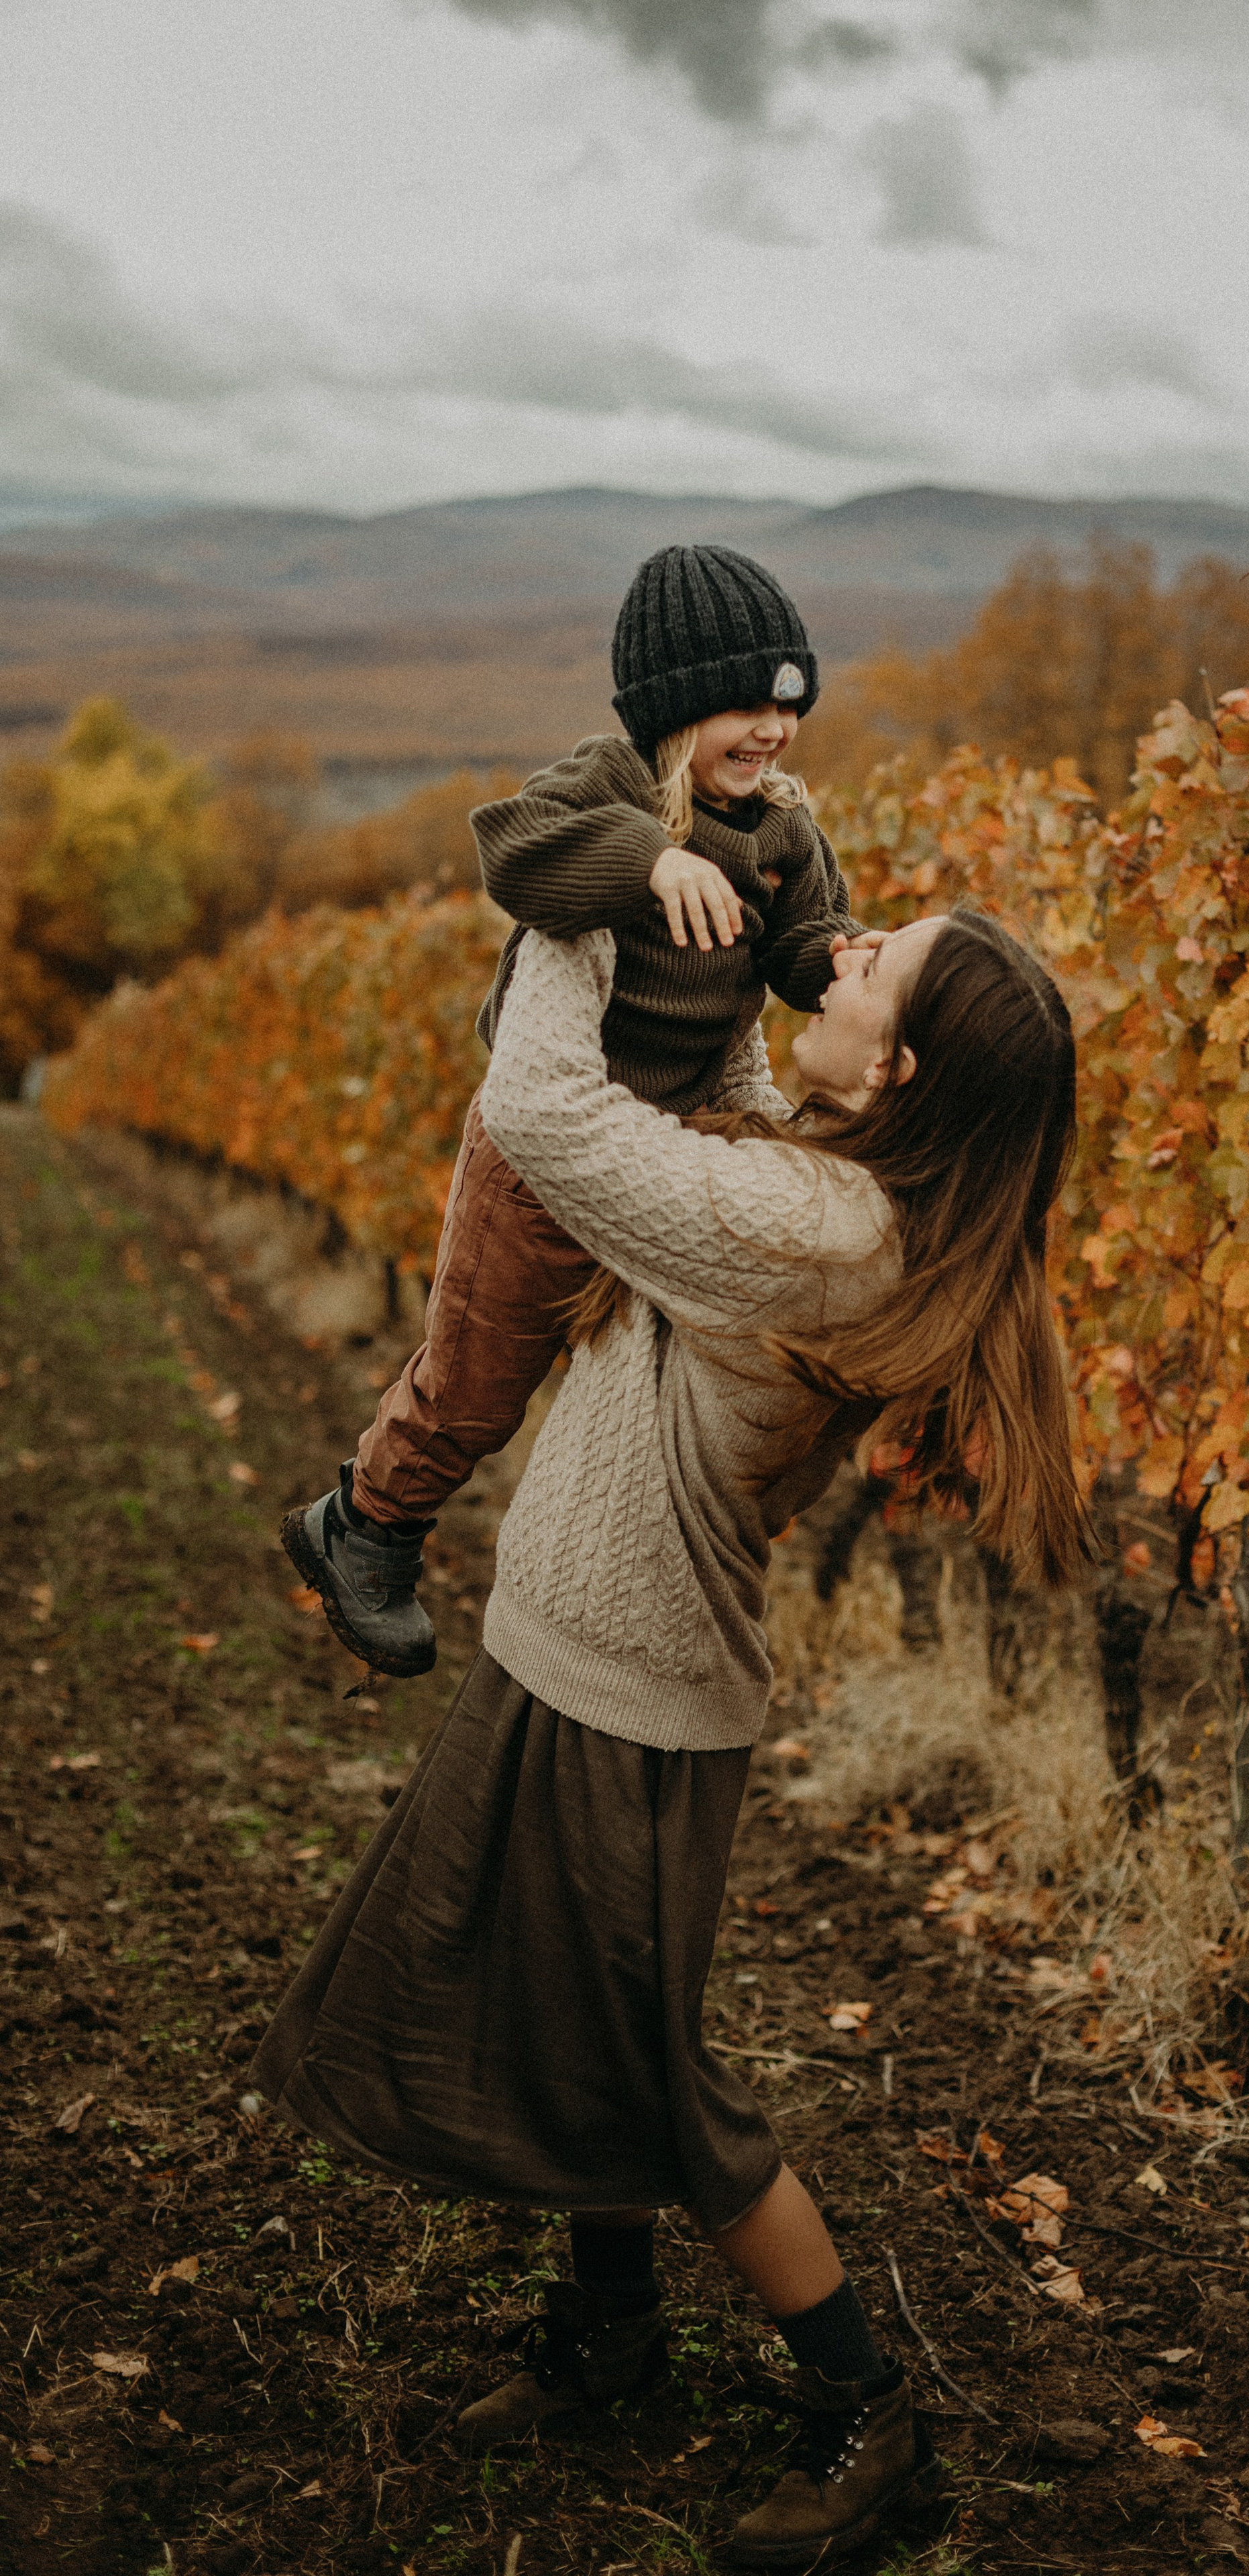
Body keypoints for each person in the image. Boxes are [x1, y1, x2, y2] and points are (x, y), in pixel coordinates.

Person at [252, 893, 1087, 2567]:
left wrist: (588, 897)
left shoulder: (820, 1229)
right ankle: (616, 2338)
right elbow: (737, 1087)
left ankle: (865, 2408)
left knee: (646, 2073)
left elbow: (551, 1113)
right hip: (579, 1665)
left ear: (901, 1064)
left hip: (631, 1701)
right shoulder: (840, 1187)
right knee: (576, 2029)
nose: (842, 958)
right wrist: (735, 896)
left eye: (875, 965)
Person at [283, 541, 861, 1678]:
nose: (771, 731)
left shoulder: (787, 831)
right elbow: (513, 852)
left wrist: (846, 966)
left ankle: (619, 1595)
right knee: (481, 1379)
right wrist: (652, 864)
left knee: (652, 1377)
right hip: (540, 1159)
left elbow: (798, 946)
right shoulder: (604, 787)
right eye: (743, 704)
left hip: (669, 1151)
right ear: (674, 707)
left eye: (788, 706)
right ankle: (365, 1522)